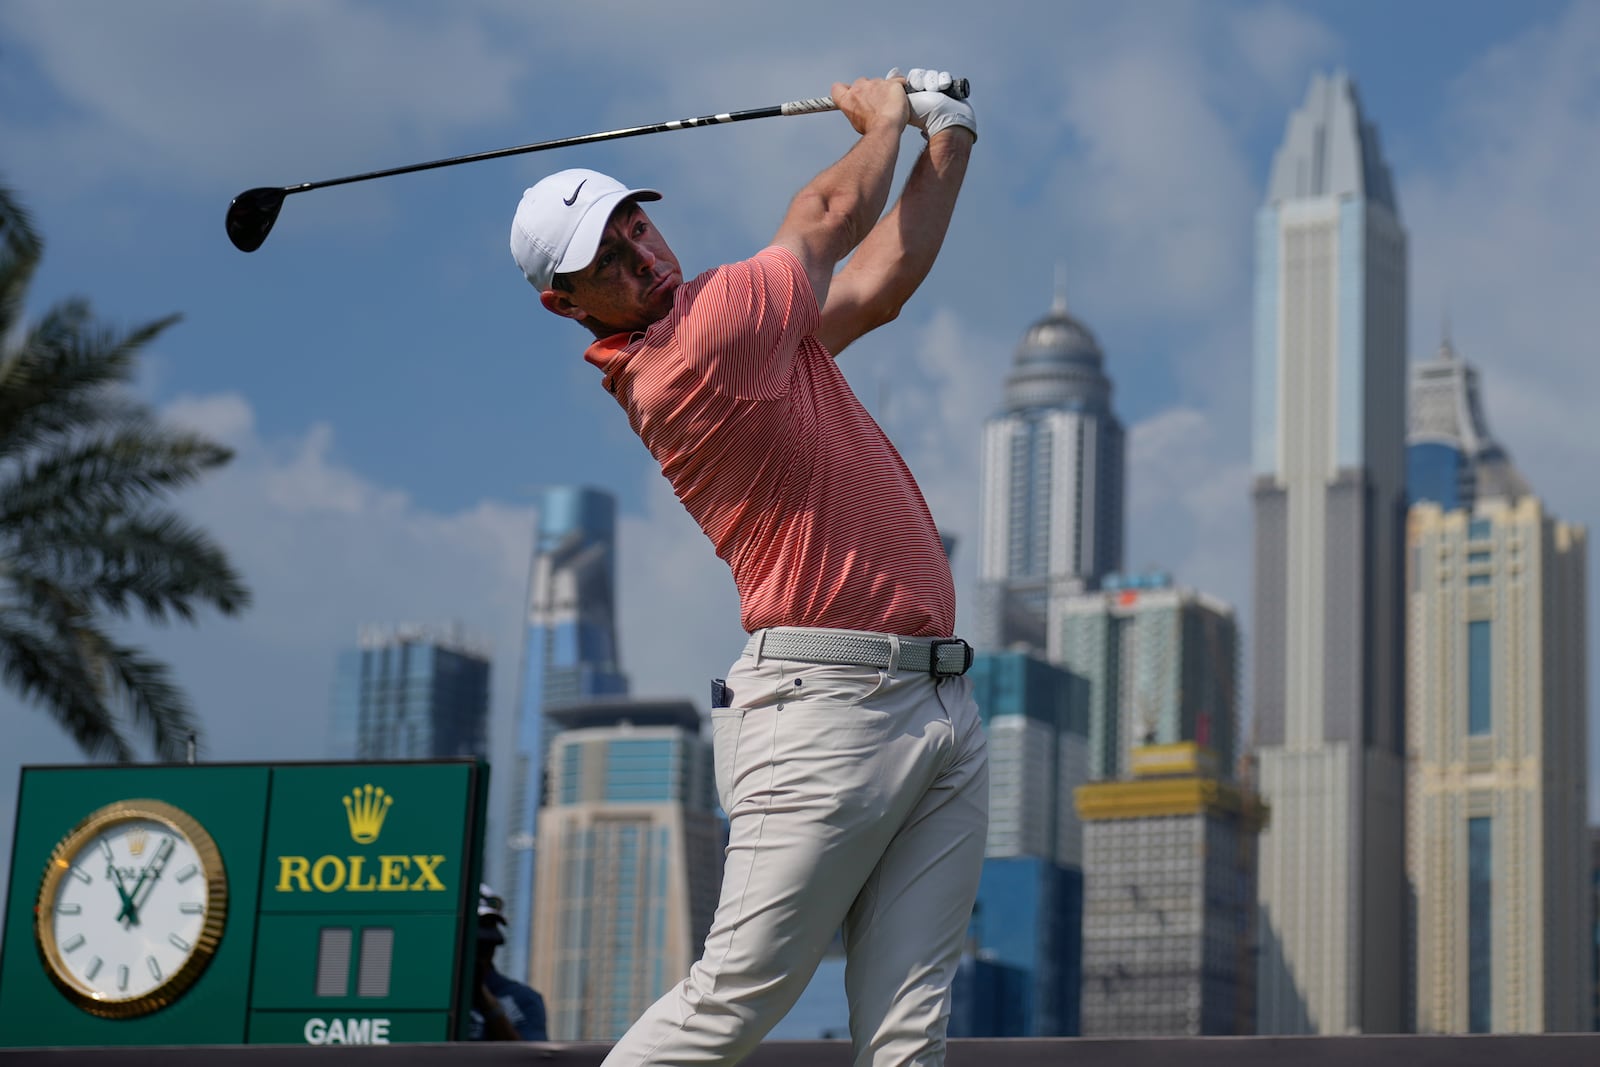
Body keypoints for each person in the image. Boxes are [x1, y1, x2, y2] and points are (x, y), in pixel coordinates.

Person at [507, 67, 988, 1067]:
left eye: (635, 225)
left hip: (936, 699)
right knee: (731, 1000)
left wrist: (950, 136)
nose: (641, 253)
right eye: (608, 256)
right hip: (827, 709)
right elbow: (830, 210)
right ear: (567, 305)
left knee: (909, 1033)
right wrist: (884, 112)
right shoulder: (700, 343)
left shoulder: (754, 339)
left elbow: (878, 285)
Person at [467, 883, 547, 1042]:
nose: (484, 950)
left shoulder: (522, 998)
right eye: (479, 943)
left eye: (488, 944)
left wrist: (487, 1002)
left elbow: (532, 1060)